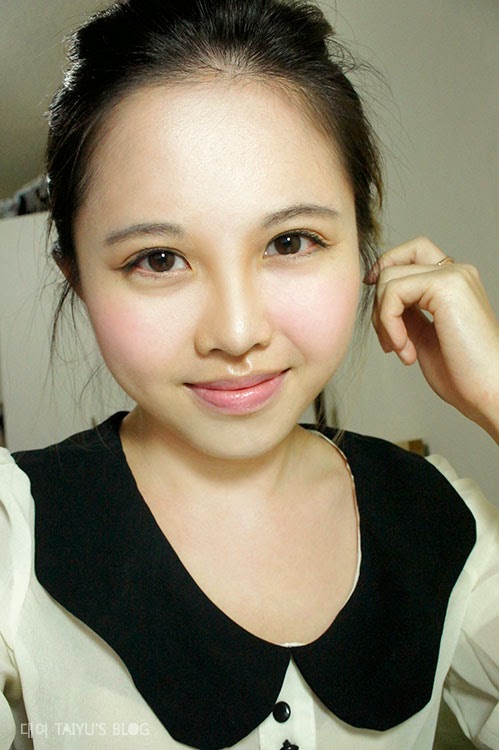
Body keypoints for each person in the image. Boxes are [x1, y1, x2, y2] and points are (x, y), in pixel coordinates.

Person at [1, 0, 498, 747]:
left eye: (290, 242)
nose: (236, 334)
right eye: (159, 259)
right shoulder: (14, 528)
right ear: (77, 276)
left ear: (362, 243)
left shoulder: (437, 512)